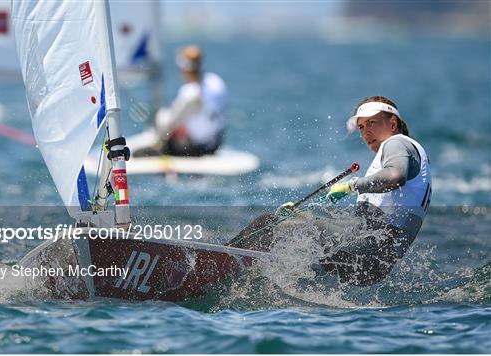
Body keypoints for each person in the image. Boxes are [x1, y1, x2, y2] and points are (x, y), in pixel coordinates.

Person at [228, 96, 432, 286]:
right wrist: (299, 215)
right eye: (361, 127)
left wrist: (353, 185)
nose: (365, 132)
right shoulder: (416, 157)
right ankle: (248, 279)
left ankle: (223, 262)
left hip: (365, 249)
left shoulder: (397, 143)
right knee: (296, 238)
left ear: (393, 123)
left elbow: (395, 176)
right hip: (373, 267)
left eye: (372, 123)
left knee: (268, 224)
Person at [133, 45, 227, 157]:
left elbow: (168, 123)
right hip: (215, 144)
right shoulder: (216, 82)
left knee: (138, 153)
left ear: (183, 68)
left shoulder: (190, 92)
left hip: (197, 148)